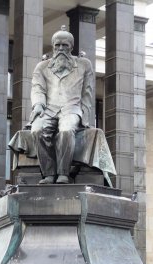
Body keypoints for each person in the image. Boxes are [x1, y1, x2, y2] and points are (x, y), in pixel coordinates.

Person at [30, 25, 93, 184]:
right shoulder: (42, 67)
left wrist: (84, 117)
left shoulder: (84, 65)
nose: (60, 48)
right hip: (48, 109)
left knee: (65, 130)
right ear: (52, 46)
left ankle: (63, 173)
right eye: (57, 45)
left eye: (65, 45)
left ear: (71, 47)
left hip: (71, 109)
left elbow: (87, 93)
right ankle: (49, 174)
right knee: (37, 129)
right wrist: (38, 104)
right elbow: (38, 88)